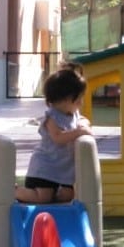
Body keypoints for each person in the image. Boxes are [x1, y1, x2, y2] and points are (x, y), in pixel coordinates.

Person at [14, 67, 92, 203]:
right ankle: (13, 191)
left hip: (62, 169)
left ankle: (52, 205)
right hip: (45, 166)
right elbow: (58, 138)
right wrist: (79, 132)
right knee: (43, 197)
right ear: (65, 99)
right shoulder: (52, 117)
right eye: (78, 99)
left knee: (69, 195)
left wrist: (84, 123)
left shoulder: (72, 113)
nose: (81, 103)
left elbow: (82, 119)